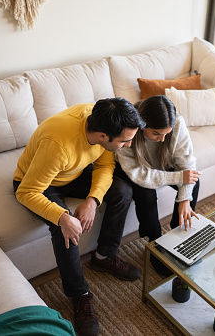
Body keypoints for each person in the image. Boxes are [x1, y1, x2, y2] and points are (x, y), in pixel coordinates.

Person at [13, 98, 145, 336]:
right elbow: (26, 191)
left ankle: (104, 256)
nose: (129, 145)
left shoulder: (99, 118)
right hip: (38, 184)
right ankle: (79, 294)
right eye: (125, 141)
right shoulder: (58, 143)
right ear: (103, 136)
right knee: (63, 226)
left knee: (123, 191)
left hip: (72, 173)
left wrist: (92, 200)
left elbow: (105, 166)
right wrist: (63, 217)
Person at [115, 95, 201, 276]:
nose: (162, 140)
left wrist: (184, 198)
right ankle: (154, 242)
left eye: (166, 134)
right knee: (145, 193)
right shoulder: (127, 130)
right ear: (143, 123)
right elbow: (140, 175)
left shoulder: (176, 123)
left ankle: (178, 233)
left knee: (195, 182)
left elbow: (187, 165)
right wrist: (179, 178)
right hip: (135, 169)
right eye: (156, 134)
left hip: (162, 163)